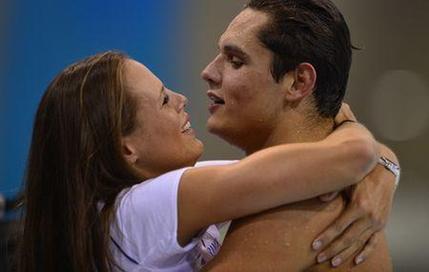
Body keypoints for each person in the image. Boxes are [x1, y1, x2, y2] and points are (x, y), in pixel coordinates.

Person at [15, 51, 381, 272]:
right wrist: (346, 122)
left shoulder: (119, 210)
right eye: (162, 100)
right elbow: (354, 156)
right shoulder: (145, 207)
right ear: (126, 148)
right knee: (317, 212)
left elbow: (335, 164)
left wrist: (383, 175)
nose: (182, 98)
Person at [200, 0, 399, 271]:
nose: (209, 72)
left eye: (235, 61)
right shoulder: (317, 190)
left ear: (299, 82)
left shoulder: (298, 205)